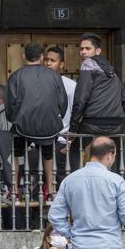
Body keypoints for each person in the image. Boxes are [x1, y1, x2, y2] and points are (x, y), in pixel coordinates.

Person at [6, 41, 67, 200]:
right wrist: (56, 117)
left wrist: (13, 119)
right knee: (48, 154)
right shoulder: (55, 75)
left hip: (22, 127)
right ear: (41, 56)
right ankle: (51, 190)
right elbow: (63, 101)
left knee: (16, 153)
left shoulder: (16, 76)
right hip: (49, 127)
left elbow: (10, 104)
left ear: (24, 55)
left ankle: (14, 188)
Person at [71, 33, 125, 142]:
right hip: (115, 126)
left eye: (88, 48)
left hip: (93, 124)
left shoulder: (88, 64)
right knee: (112, 154)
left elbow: (81, 98)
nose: (83, 52)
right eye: (81, 49)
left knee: (73, 154)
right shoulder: (112, 72)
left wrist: (72, 130)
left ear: (97, 51)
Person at [45, 45, 77, 185]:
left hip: (62, 142)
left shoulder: (70, 85)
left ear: (62, 64)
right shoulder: (38, 83)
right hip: (41, 140)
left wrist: (71, 141)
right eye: (46, 59)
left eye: (53, 60)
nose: (48, 63)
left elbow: (76, 113)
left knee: (65, 182)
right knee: (38, 184)